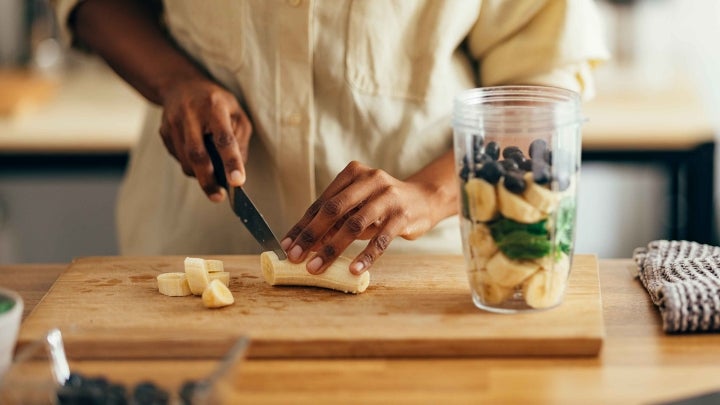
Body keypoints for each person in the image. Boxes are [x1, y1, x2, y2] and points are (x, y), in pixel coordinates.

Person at [53, 0, 607, 275]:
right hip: (193, 252)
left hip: (416, 273)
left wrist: (430, 193)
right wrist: (175, 80)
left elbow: (547, 84)